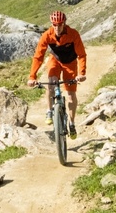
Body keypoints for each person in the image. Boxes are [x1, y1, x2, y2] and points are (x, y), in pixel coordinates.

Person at [27, 10, 87, 139]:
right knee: (51, 84)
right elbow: (38, 57)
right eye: (54, 24)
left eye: (60, 24)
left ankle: (71, 123)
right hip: (55, 60)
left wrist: (81, 73)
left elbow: (81, 55)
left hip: (70, 63)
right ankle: (49, 111)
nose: (57, 27)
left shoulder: (73, 34)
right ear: (51, 24)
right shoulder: (47, 35)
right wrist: (32, 76)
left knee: (71, 95)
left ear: (64, 23)